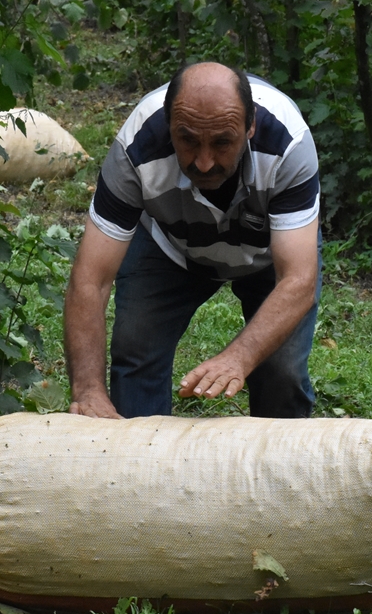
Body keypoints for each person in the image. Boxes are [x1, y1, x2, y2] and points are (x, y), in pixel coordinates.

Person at [63, 62, 321, 419]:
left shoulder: (288, 143)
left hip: (269, 255)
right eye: (187, 140)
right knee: (136, 349)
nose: (203, 162)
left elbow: (298, 280)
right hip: (167, 245)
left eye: (222, 142)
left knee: (283, 372)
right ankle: (136, 452)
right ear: (167, 124)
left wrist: (239, 357)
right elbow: (90, 278)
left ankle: (282, 455)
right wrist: (87, 389)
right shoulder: (137, 144)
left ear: (251, 127)